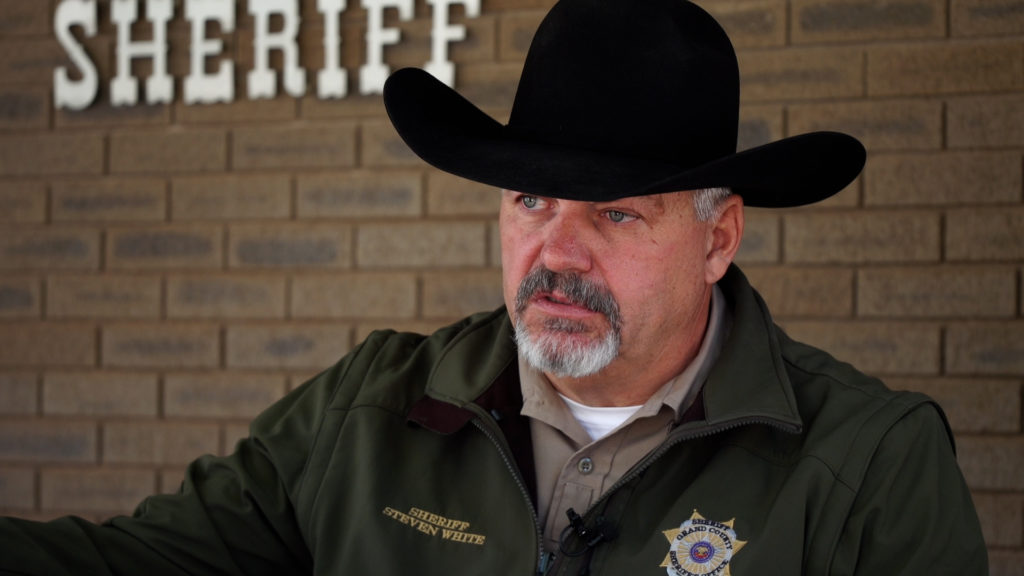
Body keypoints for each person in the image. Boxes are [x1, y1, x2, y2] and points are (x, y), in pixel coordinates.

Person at [1, 0, 986, 574]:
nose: (555, 250)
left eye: (614, 212)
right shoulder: (371, 409)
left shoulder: (868, 465)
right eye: (528, 199)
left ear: (717, 236)